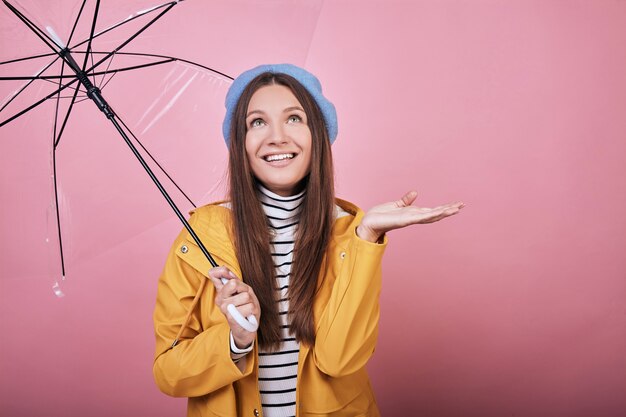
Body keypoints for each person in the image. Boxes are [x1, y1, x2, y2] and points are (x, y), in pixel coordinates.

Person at [153, 64, 464, 417]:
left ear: (318, 132)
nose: (277, 137)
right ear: (240, 143)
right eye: (257, 122)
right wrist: (234, 340)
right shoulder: (199, 240)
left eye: (294, 119)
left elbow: (339, 358)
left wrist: (367, 236)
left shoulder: (349, 233)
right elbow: (169, 373)